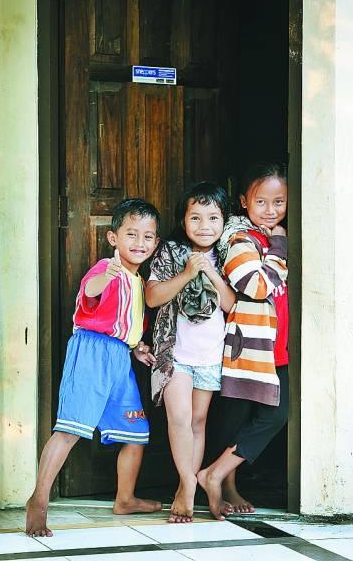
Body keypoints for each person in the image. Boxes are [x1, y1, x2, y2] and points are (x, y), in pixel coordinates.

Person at [26, 198, 161, 537]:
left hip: (120, 359)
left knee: (136, 434)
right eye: (131, 234)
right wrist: (108, 275)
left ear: (156, 242)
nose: (140, 242)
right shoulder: (106, 267)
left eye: (147, 236)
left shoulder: (139, 281)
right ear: (114, 238)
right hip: (91, 354)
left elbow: (123, 324)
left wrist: (137, 348)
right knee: (70, 429)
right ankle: (39, 500)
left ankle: (125, 499)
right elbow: (90, 291)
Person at [197, 163, 289, 519]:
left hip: (275, 347)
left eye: (279, 201)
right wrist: (278, 244)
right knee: (238, 418)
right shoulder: (241, 240)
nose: (270, 210)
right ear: (244, 201)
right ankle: (221, 480)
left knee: (274, 415)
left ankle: (215, 474)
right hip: (248, 346)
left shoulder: (275, 237)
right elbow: (256, 285)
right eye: (261, 201)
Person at [145, 182, 236, 523]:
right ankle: (187, 484)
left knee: (198, 422)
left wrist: (210, 271)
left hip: (211, 356)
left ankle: (187, 487)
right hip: (175, 354)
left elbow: (231, 305)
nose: (204, 226)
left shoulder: (228, 254)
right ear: (183, 221)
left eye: (213, 218)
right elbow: (153, 297)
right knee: (180, 418)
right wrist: (187, 273)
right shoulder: (169, 252)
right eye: (195, 217)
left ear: (224, 220)